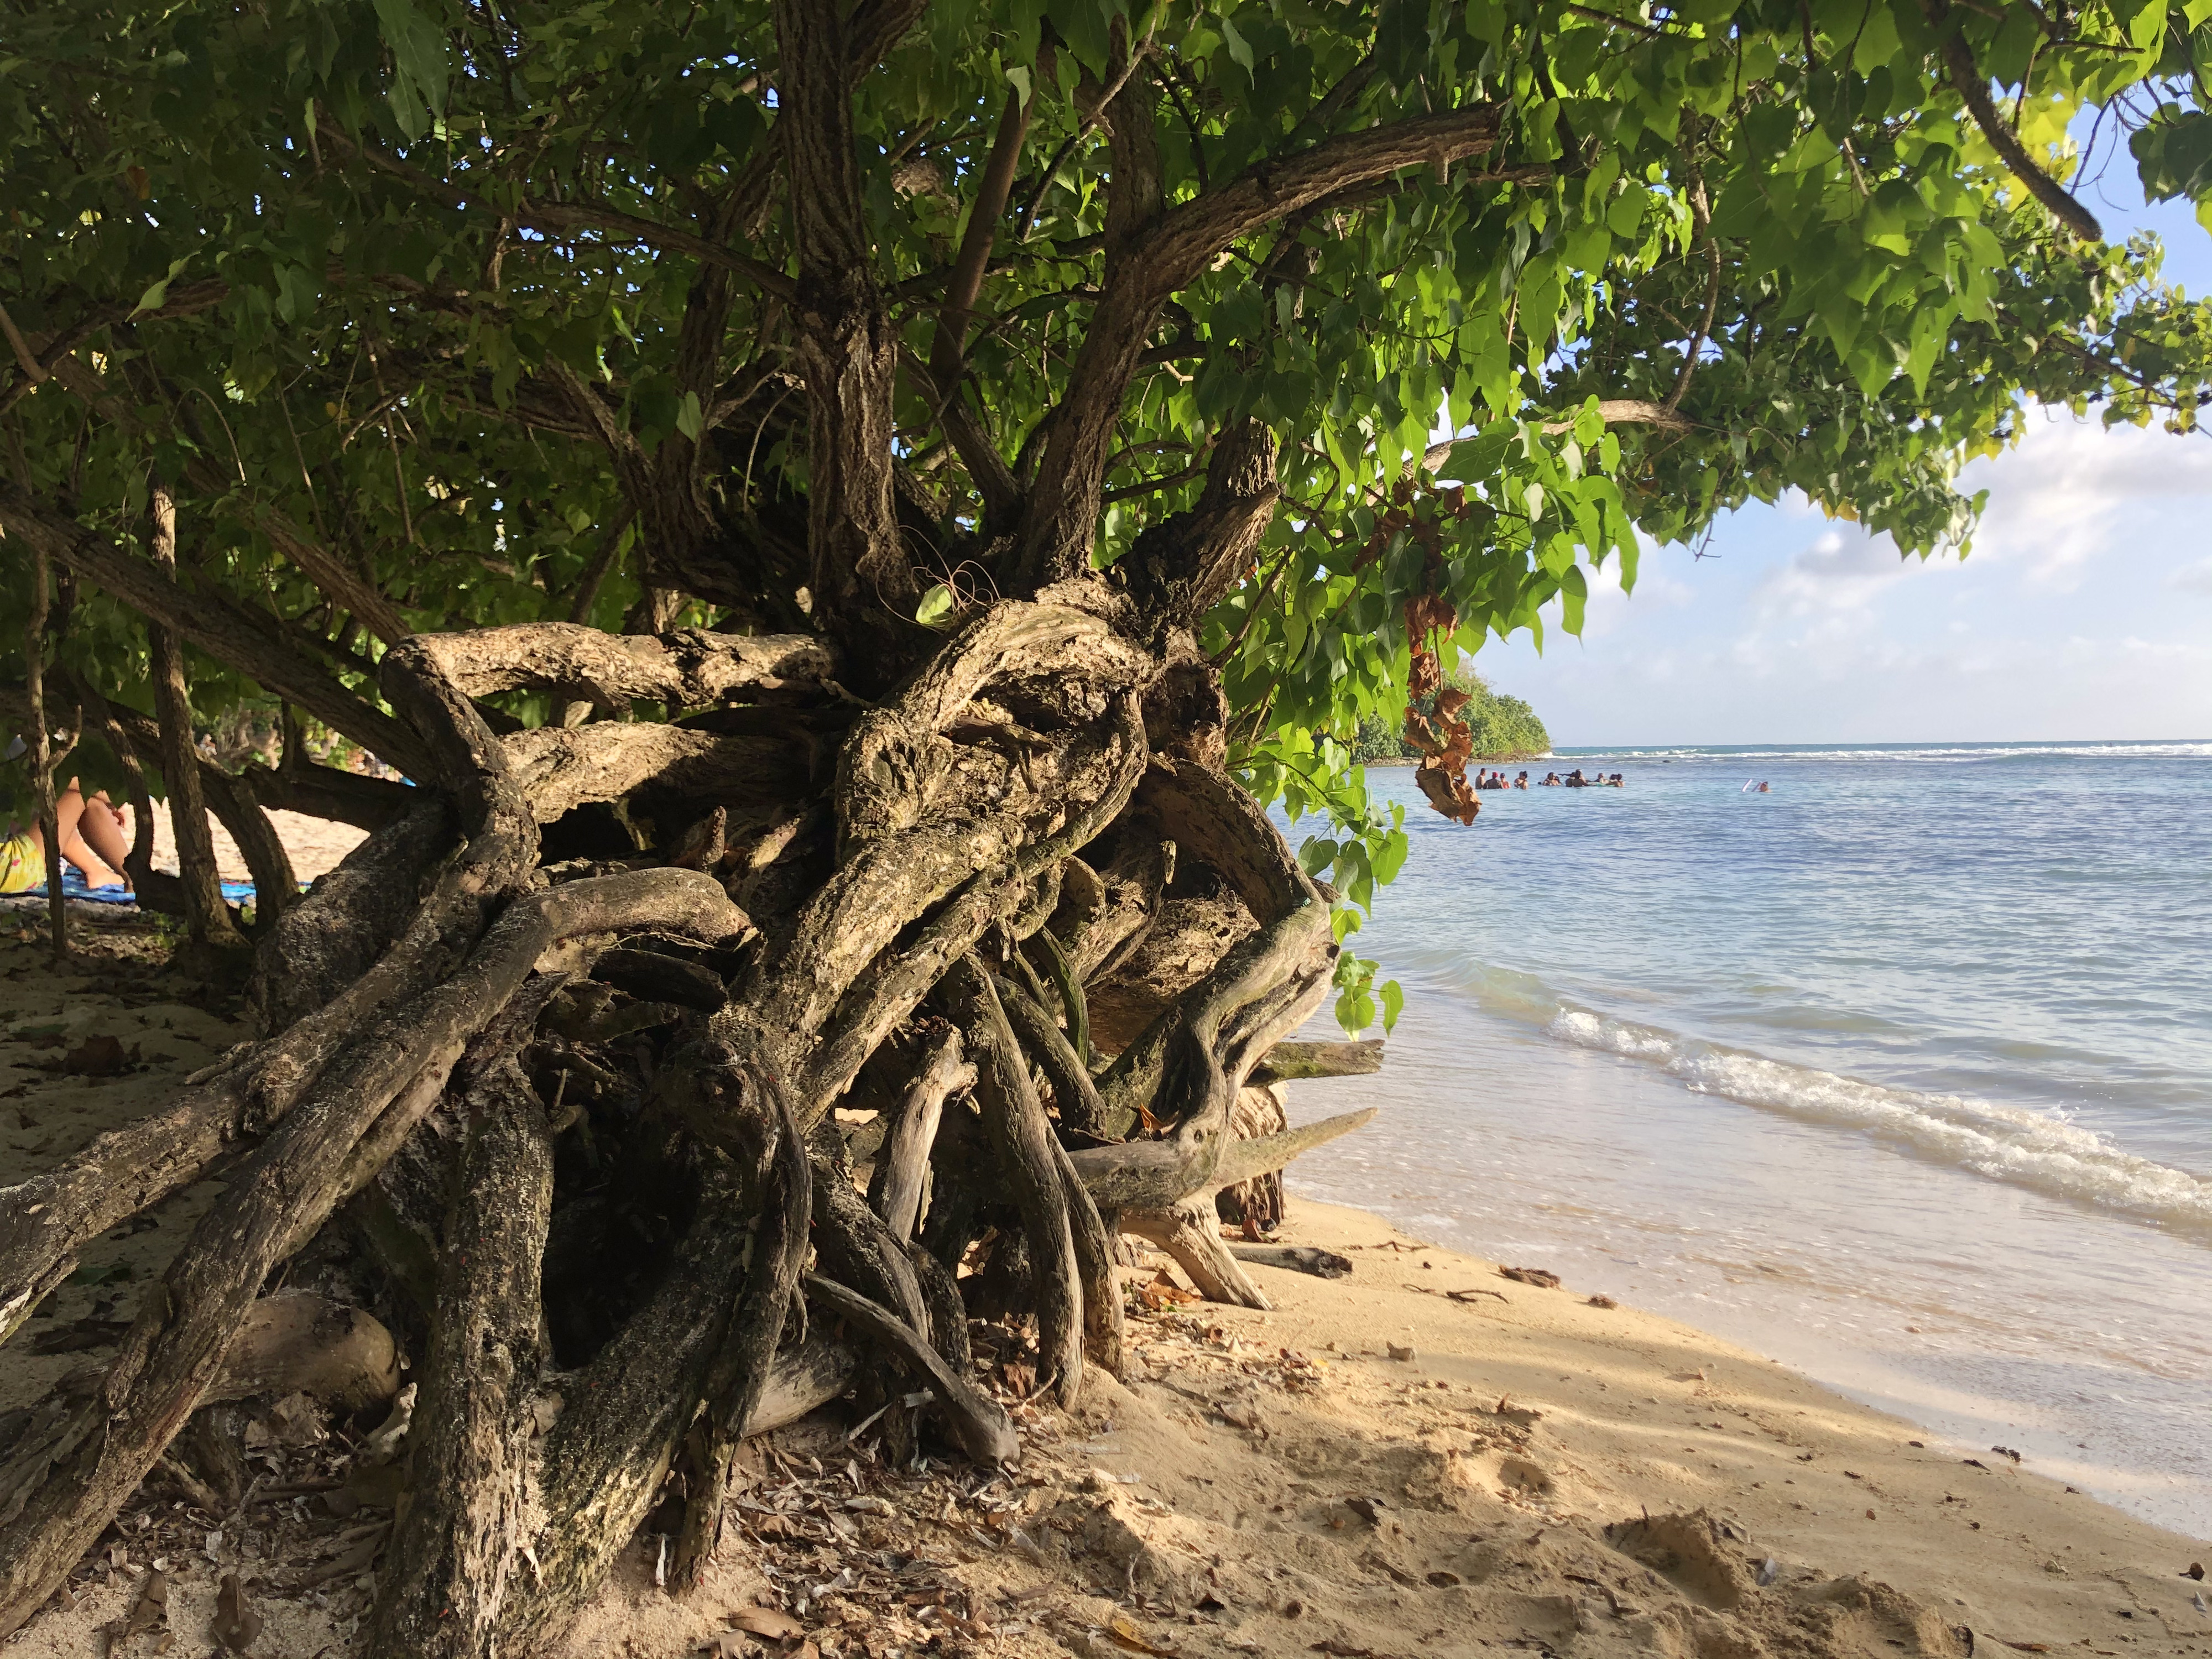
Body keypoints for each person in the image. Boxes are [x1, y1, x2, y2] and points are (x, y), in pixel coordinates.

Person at [0, 778, 132, 895]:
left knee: (45, 806)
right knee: (83, 798)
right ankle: (134, 877)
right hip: (12, 870)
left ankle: (95, 871)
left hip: (8, 868)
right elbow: (51, 778)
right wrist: (111, 798)